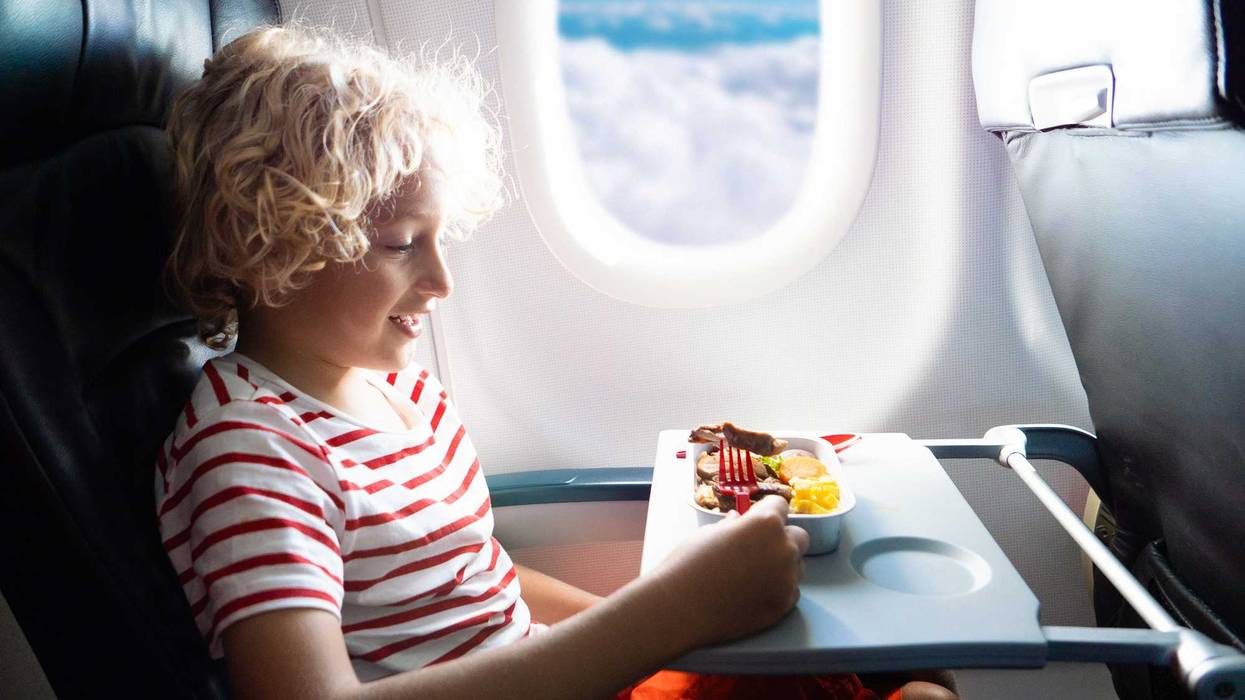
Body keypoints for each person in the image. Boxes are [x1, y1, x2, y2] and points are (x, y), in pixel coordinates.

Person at [156, 22, 956, 700]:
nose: (441, 281)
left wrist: (673, 618)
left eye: (439, 240)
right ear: (272, 250)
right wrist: (667, 618)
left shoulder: (406, 397)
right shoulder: (250, 451)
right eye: (402, 246)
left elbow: (486, 590)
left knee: (899, 664)